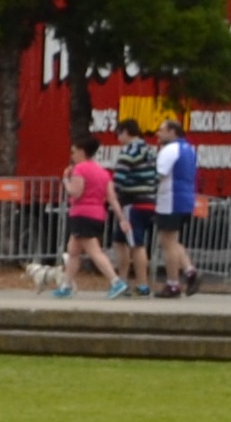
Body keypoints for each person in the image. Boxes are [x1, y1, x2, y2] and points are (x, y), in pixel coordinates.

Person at [58, 138, 126, 298]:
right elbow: (112, 197)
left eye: (74, 152)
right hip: (97, 213)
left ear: (82, 151)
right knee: (73, 250)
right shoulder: (103, 172)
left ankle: (116, 281)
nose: (72, 155)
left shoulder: (80, 169)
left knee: (94, 251)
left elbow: (76, 192)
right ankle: (66, 285)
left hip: (82, 214)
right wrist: (121, 217)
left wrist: (66, 180)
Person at [155, 113, 203, 296]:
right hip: (185, 199)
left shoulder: (169, 150)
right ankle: (190, 271)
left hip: (170, 200)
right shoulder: (188, 148)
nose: (158, 133)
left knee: (167, 243)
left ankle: (173, 283)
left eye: (162, 130)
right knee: (172, 241)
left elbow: (159, 175)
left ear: (172, 132)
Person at [110, 111, 160, 286]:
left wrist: (111, 196)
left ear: (126, 132)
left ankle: (142, 285)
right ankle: (122, 281)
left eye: (118, 134)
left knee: (136, 244)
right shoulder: (150, 150)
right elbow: (156, 176)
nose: (118, 138)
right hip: (149, 200)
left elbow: (118, 180)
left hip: (132, 203)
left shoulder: (128, 152)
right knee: (119, 241)